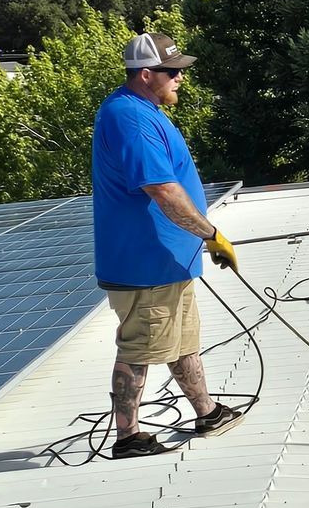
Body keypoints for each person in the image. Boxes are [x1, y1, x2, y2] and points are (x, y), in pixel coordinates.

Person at [91, 33, 243, 460]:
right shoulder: (129, 117)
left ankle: (207, 412)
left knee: (182, 341)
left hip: (169, 262)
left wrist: (202, 240)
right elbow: (161, 188)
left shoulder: (146, 110)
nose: (180, 78)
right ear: (145, 74)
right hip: (144, 264)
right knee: (140, 347)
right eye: (172, 72)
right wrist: (211, 235)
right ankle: (128, 438)